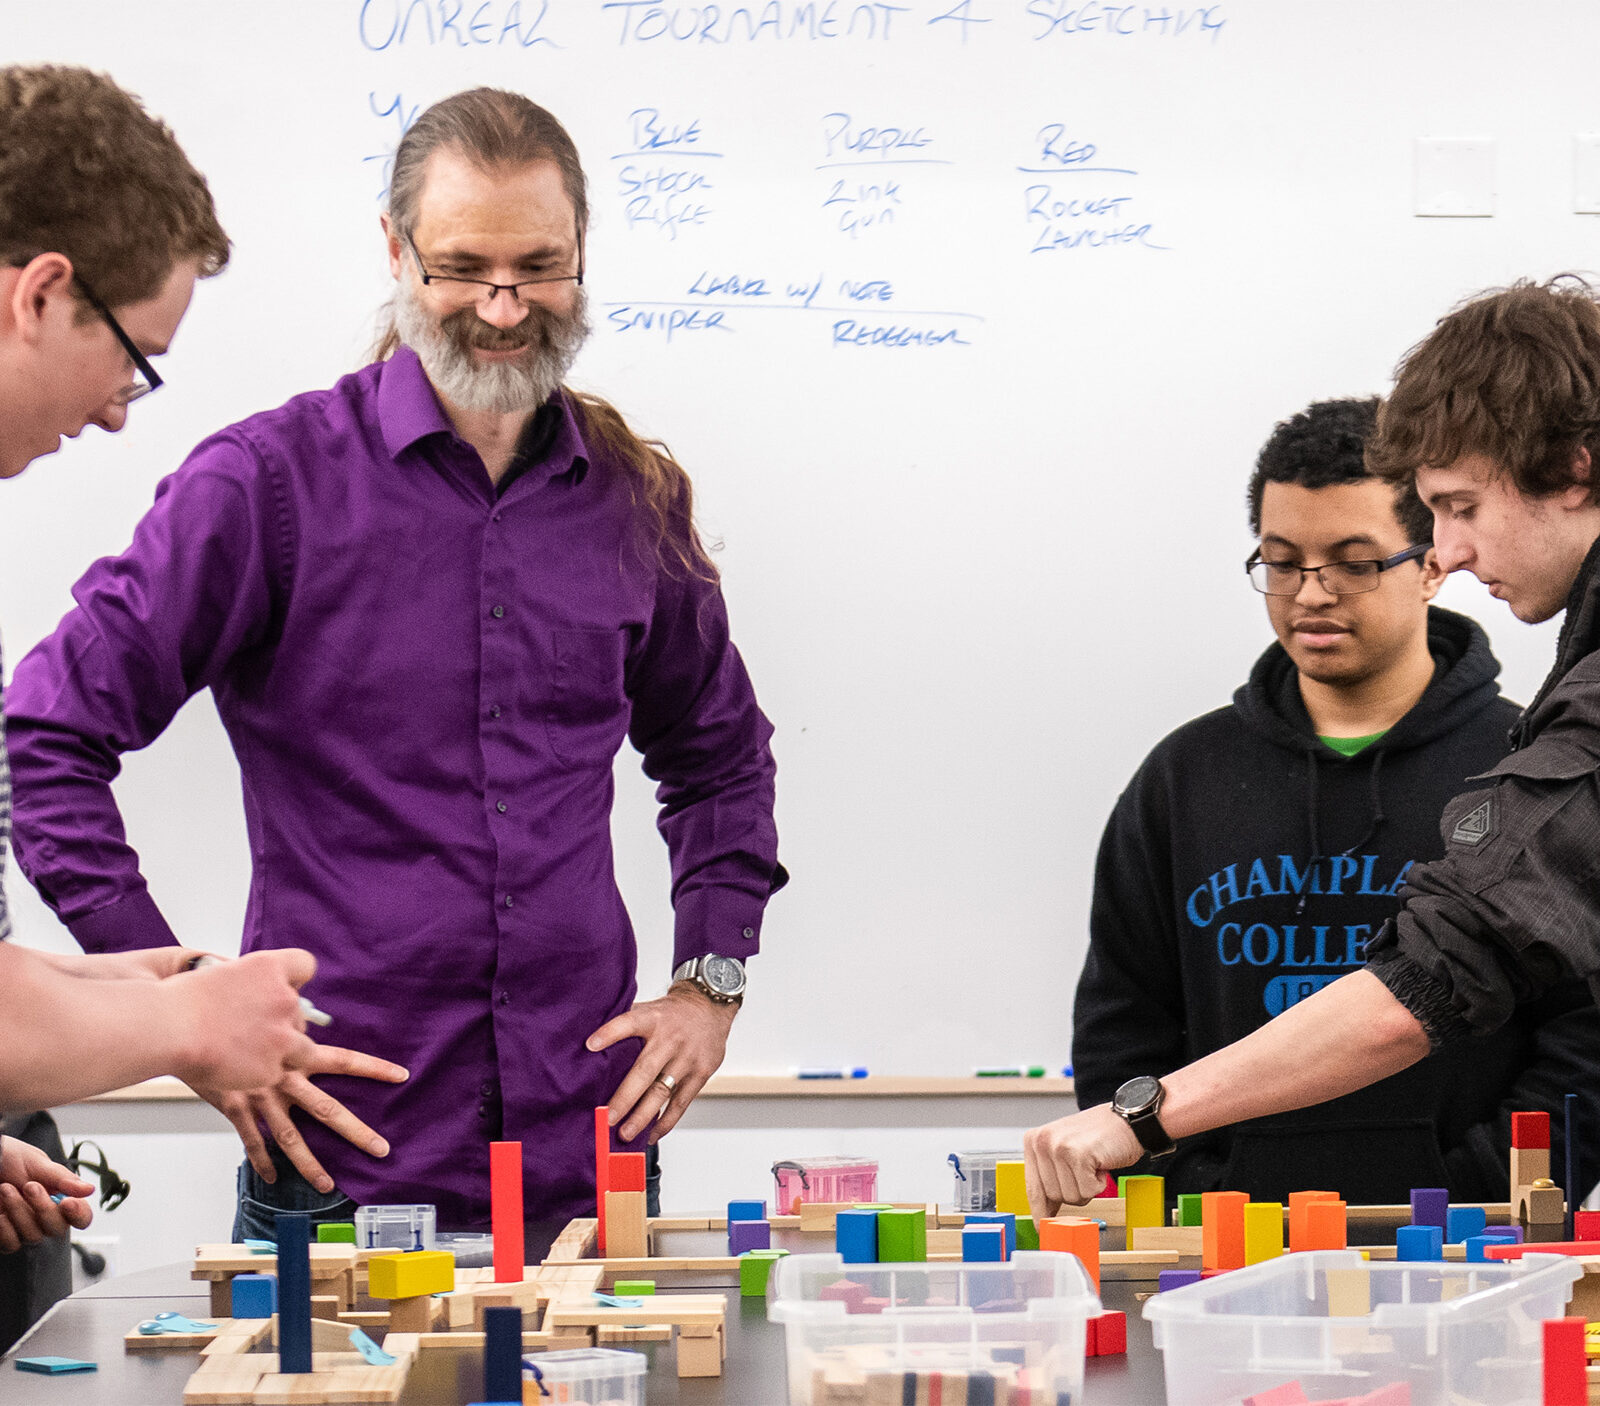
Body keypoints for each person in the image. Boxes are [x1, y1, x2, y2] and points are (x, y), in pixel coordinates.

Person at [6, 87, 785, 1236]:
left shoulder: (635, 501)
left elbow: (718, 761)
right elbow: (47, 736)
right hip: (339, 1167)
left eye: (540, 265)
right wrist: (181, 1008)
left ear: (582, 256)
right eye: (466, 265)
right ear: (395, 249)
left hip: (589, 1162)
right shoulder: (264, 488)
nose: (506, 306)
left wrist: (707, 985)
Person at [1025, 276, 1600, 1217]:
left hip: (1460, 1231)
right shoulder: (1184, 774)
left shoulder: (1551, 737)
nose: (1447, 553)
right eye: (1283, 562)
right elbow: (1125, 1017)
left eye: (1460, 507)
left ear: (1573, 470)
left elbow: (1430, 984)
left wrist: (1145, 1116)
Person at [0, 63, 335, 1307]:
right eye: (136, 359)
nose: (121, 415)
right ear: (44, 292)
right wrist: (191, 1022)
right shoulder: (269, 483)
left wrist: (119, 978)